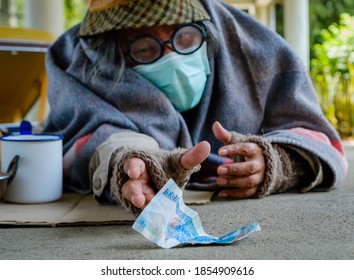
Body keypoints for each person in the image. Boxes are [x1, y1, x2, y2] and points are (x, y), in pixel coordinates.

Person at [43, 0, 348, 214]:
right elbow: (89, 133)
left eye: (185, 38)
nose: (172, 57)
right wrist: (128, 162)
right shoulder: (78, 63)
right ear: (113, 54)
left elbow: (316, 137)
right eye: (146, 49)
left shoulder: (251, 46)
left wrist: (280, 162)